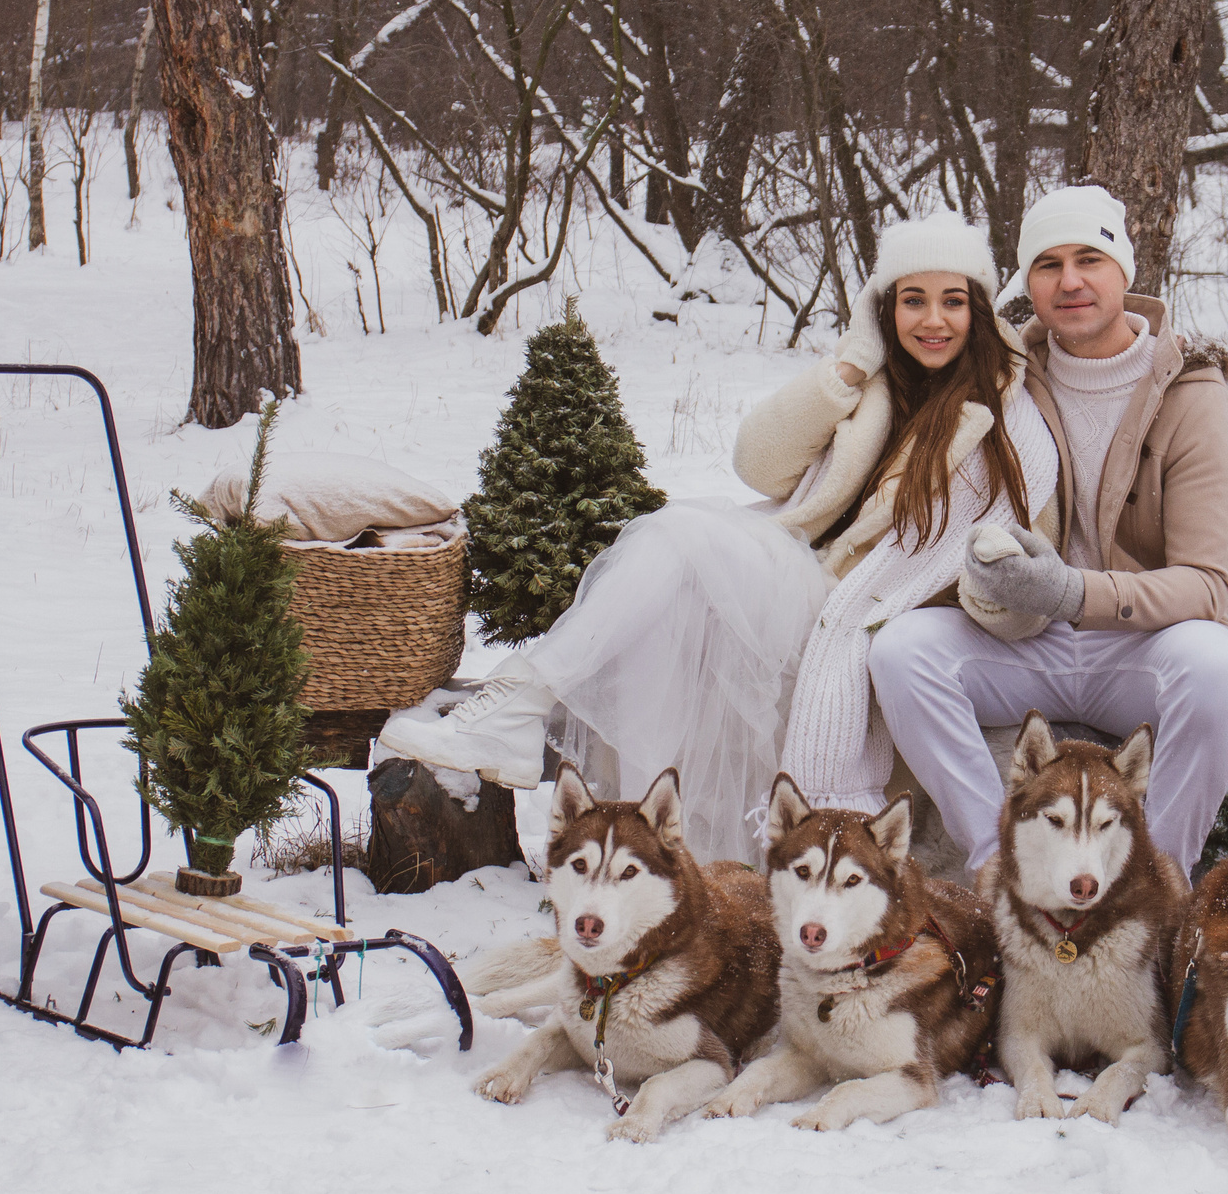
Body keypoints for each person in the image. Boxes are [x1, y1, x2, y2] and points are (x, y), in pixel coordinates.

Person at [377, 213, 1059, 864]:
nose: (933, 320)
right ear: (886, 310)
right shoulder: (875, 385)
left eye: (952, 302)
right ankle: (642, 839)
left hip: (861, 624)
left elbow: (1022, 579)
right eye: (913, 300)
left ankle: (524, 703)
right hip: (806, 586)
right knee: (672, 568)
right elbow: (758, 464)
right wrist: (850, 365)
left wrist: (991, 587)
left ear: (978, 311)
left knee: (680, 535)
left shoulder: (1007, 423)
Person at [868, 186, 1228, 876]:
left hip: (1140, 651)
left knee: (1213, 664)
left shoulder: (1192, 394)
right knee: (903, 651)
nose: (1071, 280)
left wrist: (1070, 590)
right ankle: (997, 860)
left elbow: (1207, 583)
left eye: (1090, 257)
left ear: (1125, 270)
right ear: (1029, 283)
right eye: (1048, 264)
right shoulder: (1003, 376)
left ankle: (1156, 878)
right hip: (1028, 646)